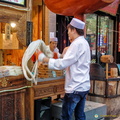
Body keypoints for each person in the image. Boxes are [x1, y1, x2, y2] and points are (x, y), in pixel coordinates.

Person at [38, 18, 91, 120]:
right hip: (83, 86)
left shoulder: (76, 44)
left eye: (68, 31)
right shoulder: (84, 42)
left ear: (73, 30)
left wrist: (43, 58)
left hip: (75, 88)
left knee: (65, 116)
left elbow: (62, 64)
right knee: (80, 116)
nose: (68, 34)